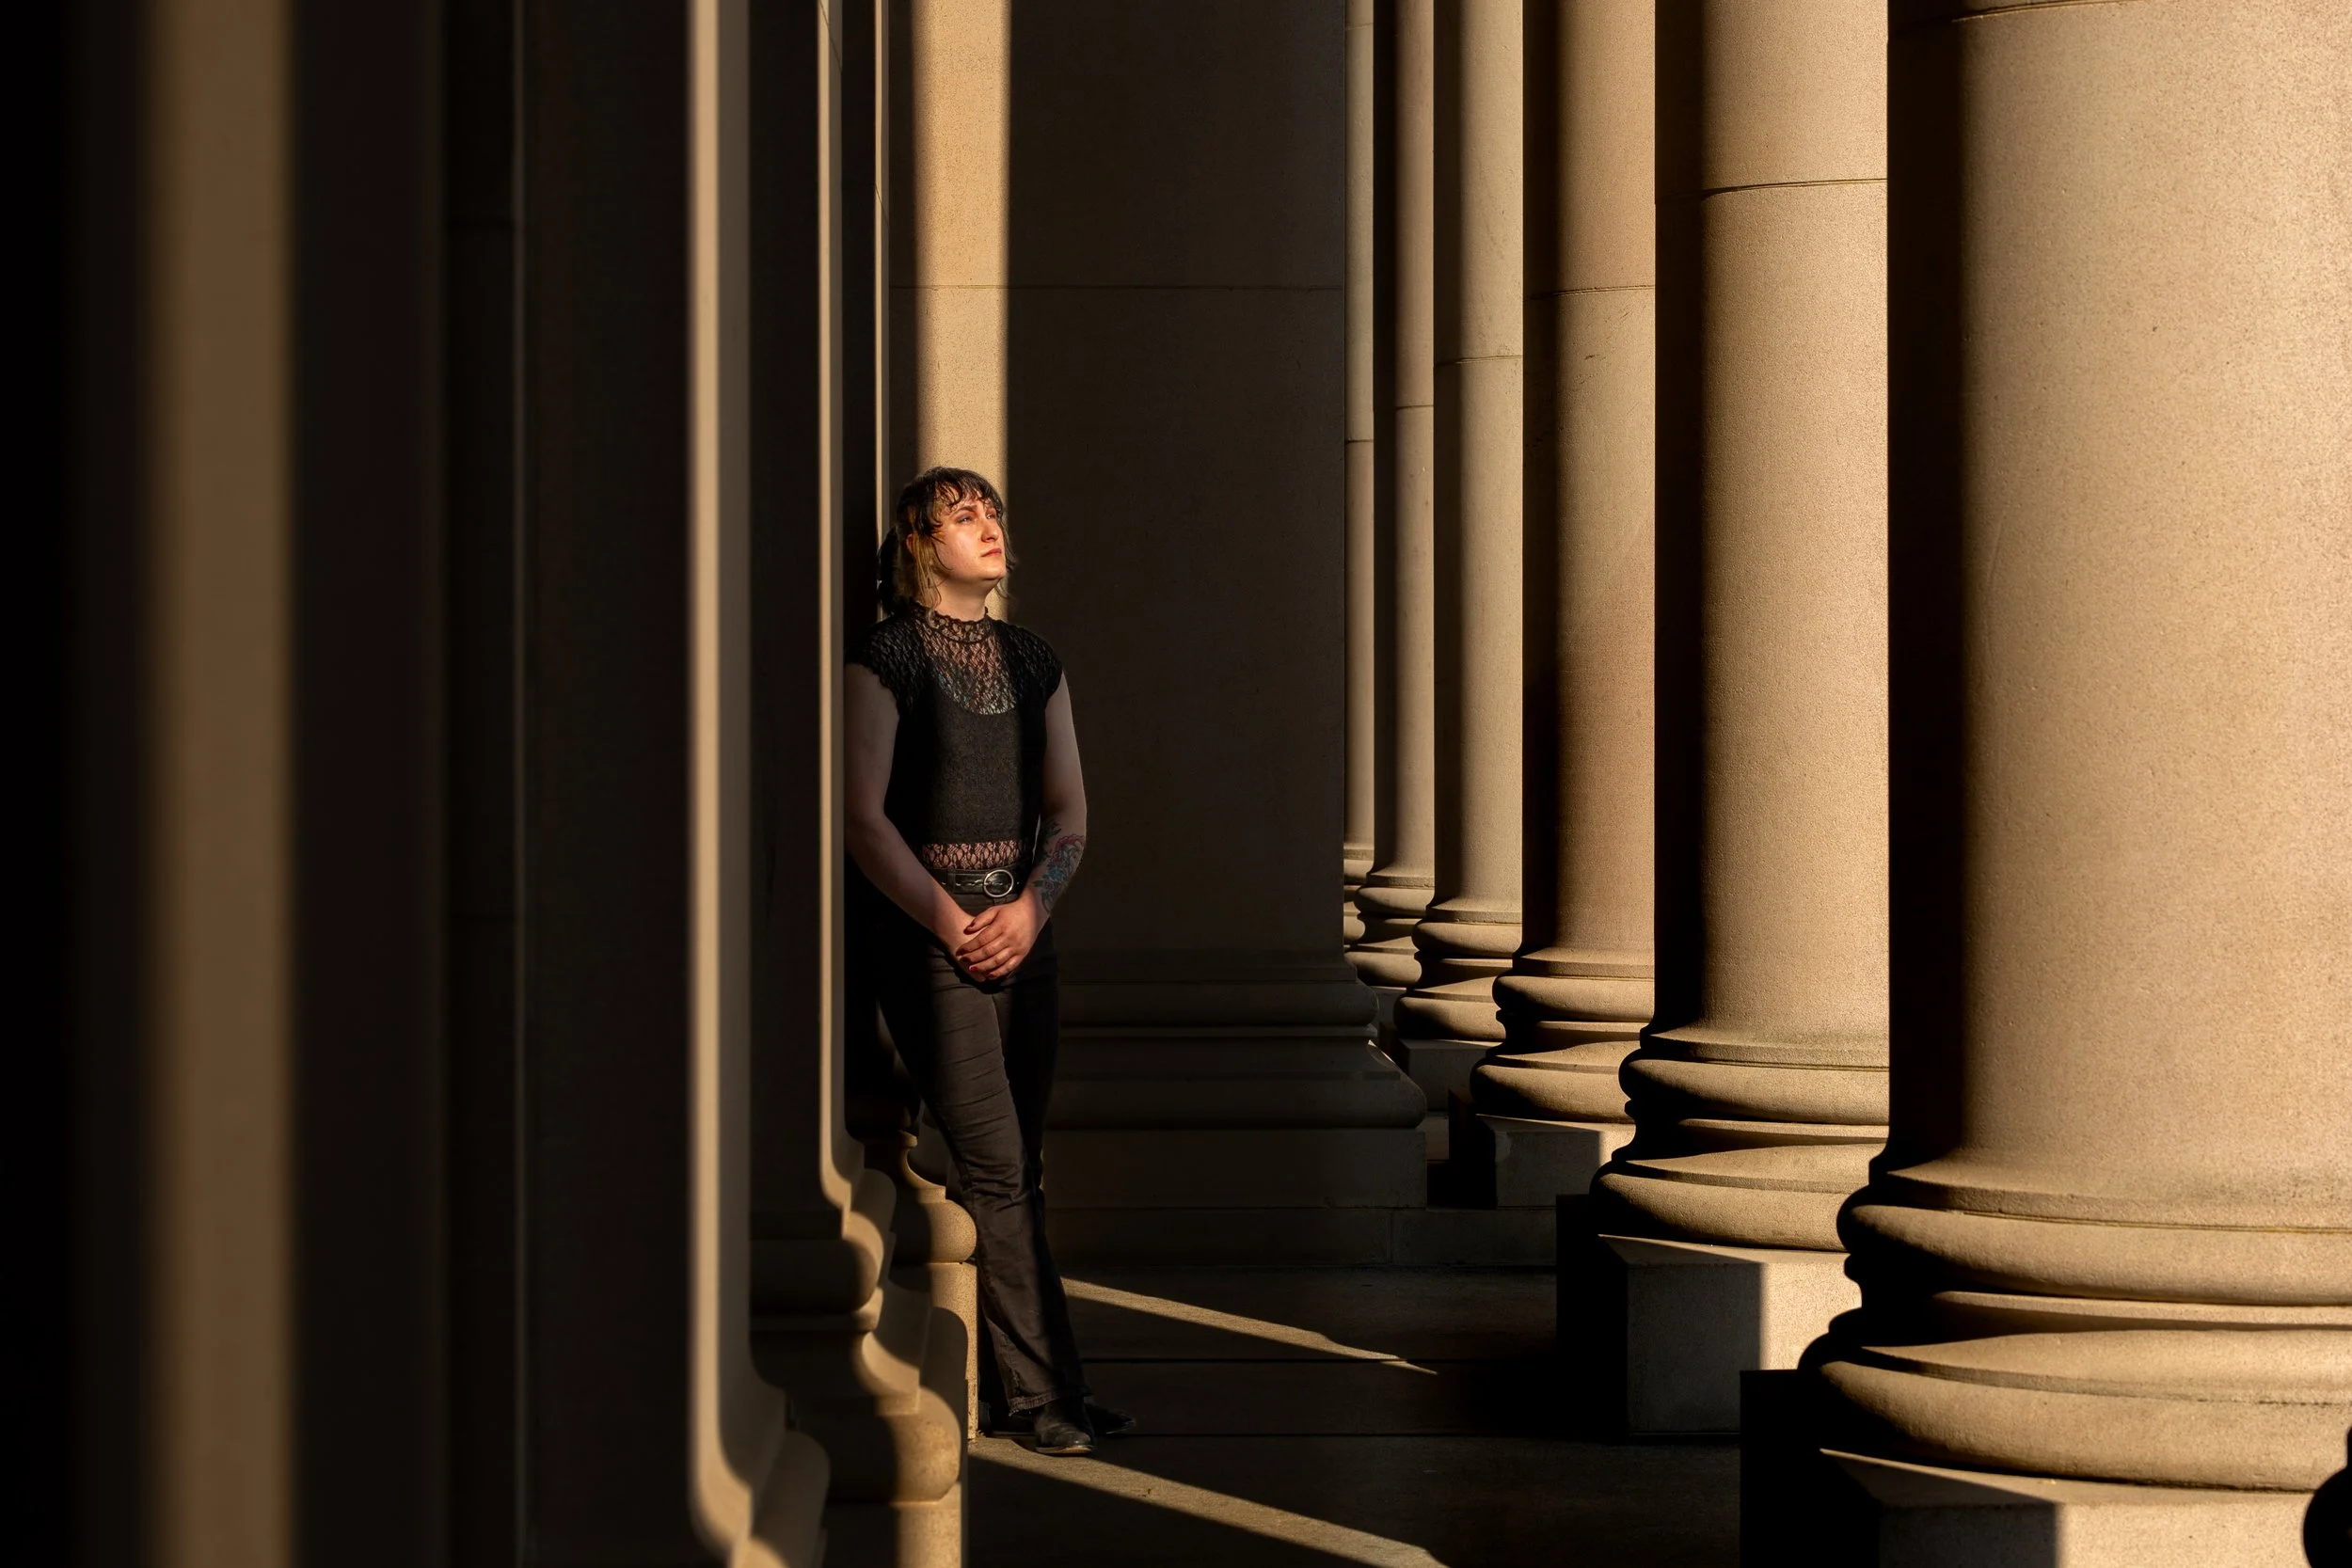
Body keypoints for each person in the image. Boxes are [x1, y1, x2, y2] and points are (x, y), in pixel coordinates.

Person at [843, 466, 1127, 1457]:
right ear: (920, 543)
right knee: (998, 1170)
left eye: (994, 509)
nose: (989, 526)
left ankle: (1052, 1385)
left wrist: (1028, 910)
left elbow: (1070, 815)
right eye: (963, 516)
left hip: (1023, 935)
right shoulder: (885, 657)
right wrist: (953, 920)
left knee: (1020, 1168)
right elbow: (861, 820)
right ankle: (1044, 1396)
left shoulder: (1035, 658)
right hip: (926, 944)